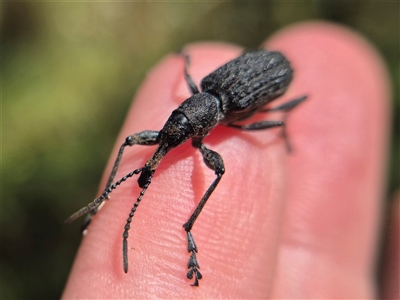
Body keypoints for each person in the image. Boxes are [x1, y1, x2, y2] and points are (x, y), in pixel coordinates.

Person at [62, 22, 397, 298]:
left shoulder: (230, 107)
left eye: (173, 137)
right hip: (234, 83)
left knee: (233, 158)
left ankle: (188, 228)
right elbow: (143, 143)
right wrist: (110, 191)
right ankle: (102, 200)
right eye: (171, 132)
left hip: (271, 75)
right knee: (135, 142)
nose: (162, 147)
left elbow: (215, 163)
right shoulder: (199, 96)